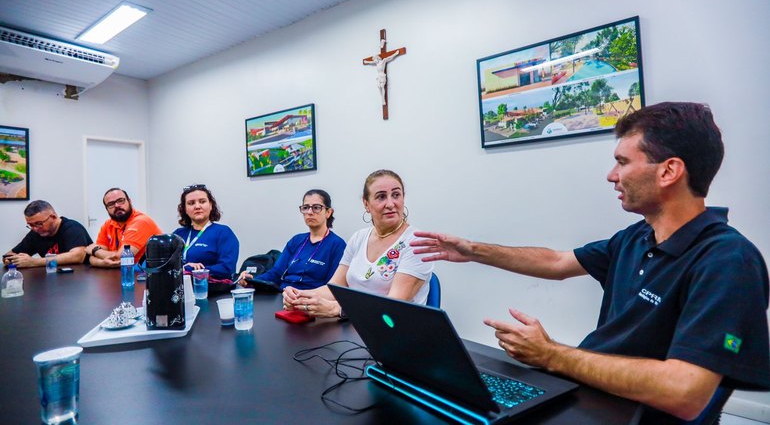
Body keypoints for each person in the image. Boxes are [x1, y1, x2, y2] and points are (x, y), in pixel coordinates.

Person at [411, 102, 770, 423]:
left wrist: (551, 354)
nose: (612, 175)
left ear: (668, 171)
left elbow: (686, 394)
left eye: (623, 162)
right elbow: (556, 262)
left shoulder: (728, 260)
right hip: (587, 396)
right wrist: (473, 250)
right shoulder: (636, 237)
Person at [282, 170, 433, 318]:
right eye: (381, 197)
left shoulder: (417, 243)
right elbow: (334, 288)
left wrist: (337, 309)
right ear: (366, 204)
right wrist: (298, 296)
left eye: (396, 195)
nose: (390, 203)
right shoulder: (359, 238)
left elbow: (393, 306)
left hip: (395, 332)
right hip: (354, 326)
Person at [237, 189, 345, 289]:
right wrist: (251, 280)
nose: (309, 212)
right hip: (284, 296)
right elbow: (275, 273)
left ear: (328, 212)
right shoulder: (296, 241)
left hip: (312, 301)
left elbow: (332, 287)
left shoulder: (337, 245)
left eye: (316, 207)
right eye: (306, 207)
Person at [173, 184, 239, 280]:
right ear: (185, 209)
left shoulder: (223, 233)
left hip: (212, 291)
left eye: (202, 202)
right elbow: (166, 266)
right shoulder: (178, 235)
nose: (197, 206)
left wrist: (194, 271)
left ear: (211, 205)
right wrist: (184, 268)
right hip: (180, 291)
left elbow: (227, 269)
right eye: (191, 203)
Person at [85, 188, 162, 268]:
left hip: (144, 276)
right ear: (107, 209)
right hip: (120, 274)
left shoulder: (141, 222)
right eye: (111, 204)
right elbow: (92, 258)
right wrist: (103, 262)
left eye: (120, 200)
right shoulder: (108, 224)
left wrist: (95, 250)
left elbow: (123, 257)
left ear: (129, 201)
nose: (117, 205)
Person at [3, 200, 92, 268]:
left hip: (81, 279)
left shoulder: (72, 227)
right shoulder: (35, 233)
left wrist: (34, 262)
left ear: (53, 217)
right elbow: (11, 254)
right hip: (55, 279)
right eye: (31, 225)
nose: (35, 228)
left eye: (39, 223)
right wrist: (9, 260)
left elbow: (78, 256)